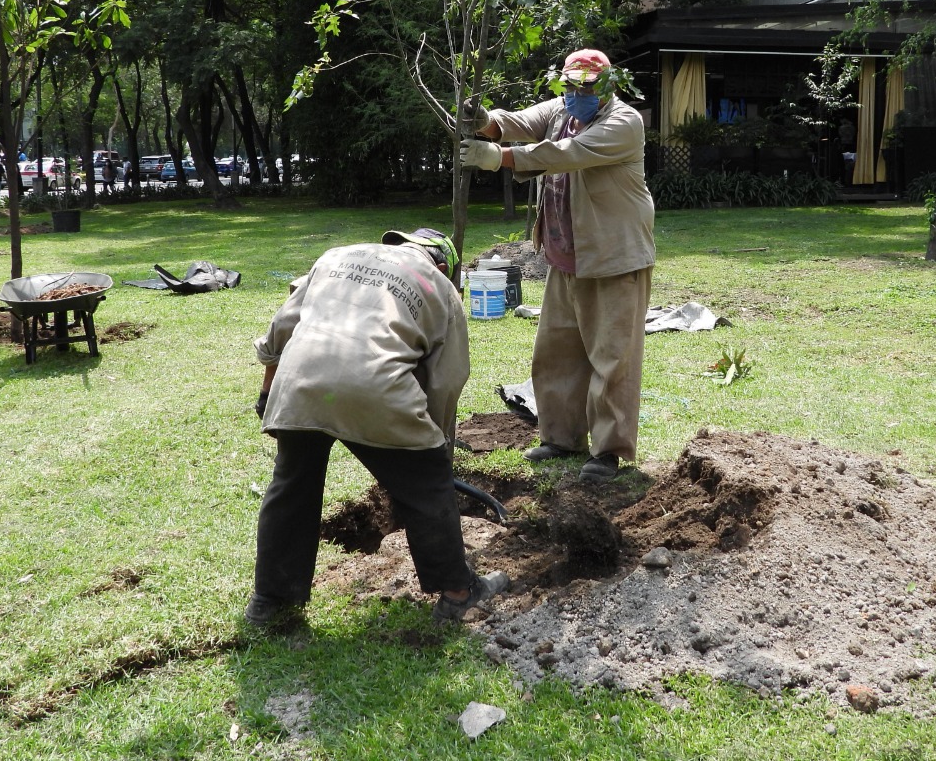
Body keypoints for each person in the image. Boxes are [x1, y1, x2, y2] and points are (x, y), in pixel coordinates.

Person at [245, 227, 508, 628]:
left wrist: (267, 394)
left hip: (299, 384)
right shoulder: (439, 286)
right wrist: (435, 449)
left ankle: (269, 601)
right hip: (375, 386)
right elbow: (445, 382)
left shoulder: (336, 256)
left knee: (292, 485)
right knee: (426, 486)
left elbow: (282, 327)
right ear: (442, 265)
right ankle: (459, 592)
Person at [459, 48, 655, 483]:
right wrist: (483, 120)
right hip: (565, 256)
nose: (577, 94)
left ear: (606, 86)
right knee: (557, 352)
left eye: (587, 87)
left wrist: (500, 158)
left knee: (612, 359)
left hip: (612, 257)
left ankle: (608, 453)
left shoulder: (624, 122)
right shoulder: (561, 108)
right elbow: (517, 123)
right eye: (571, 86)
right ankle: (561, 438)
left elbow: (568, 154)